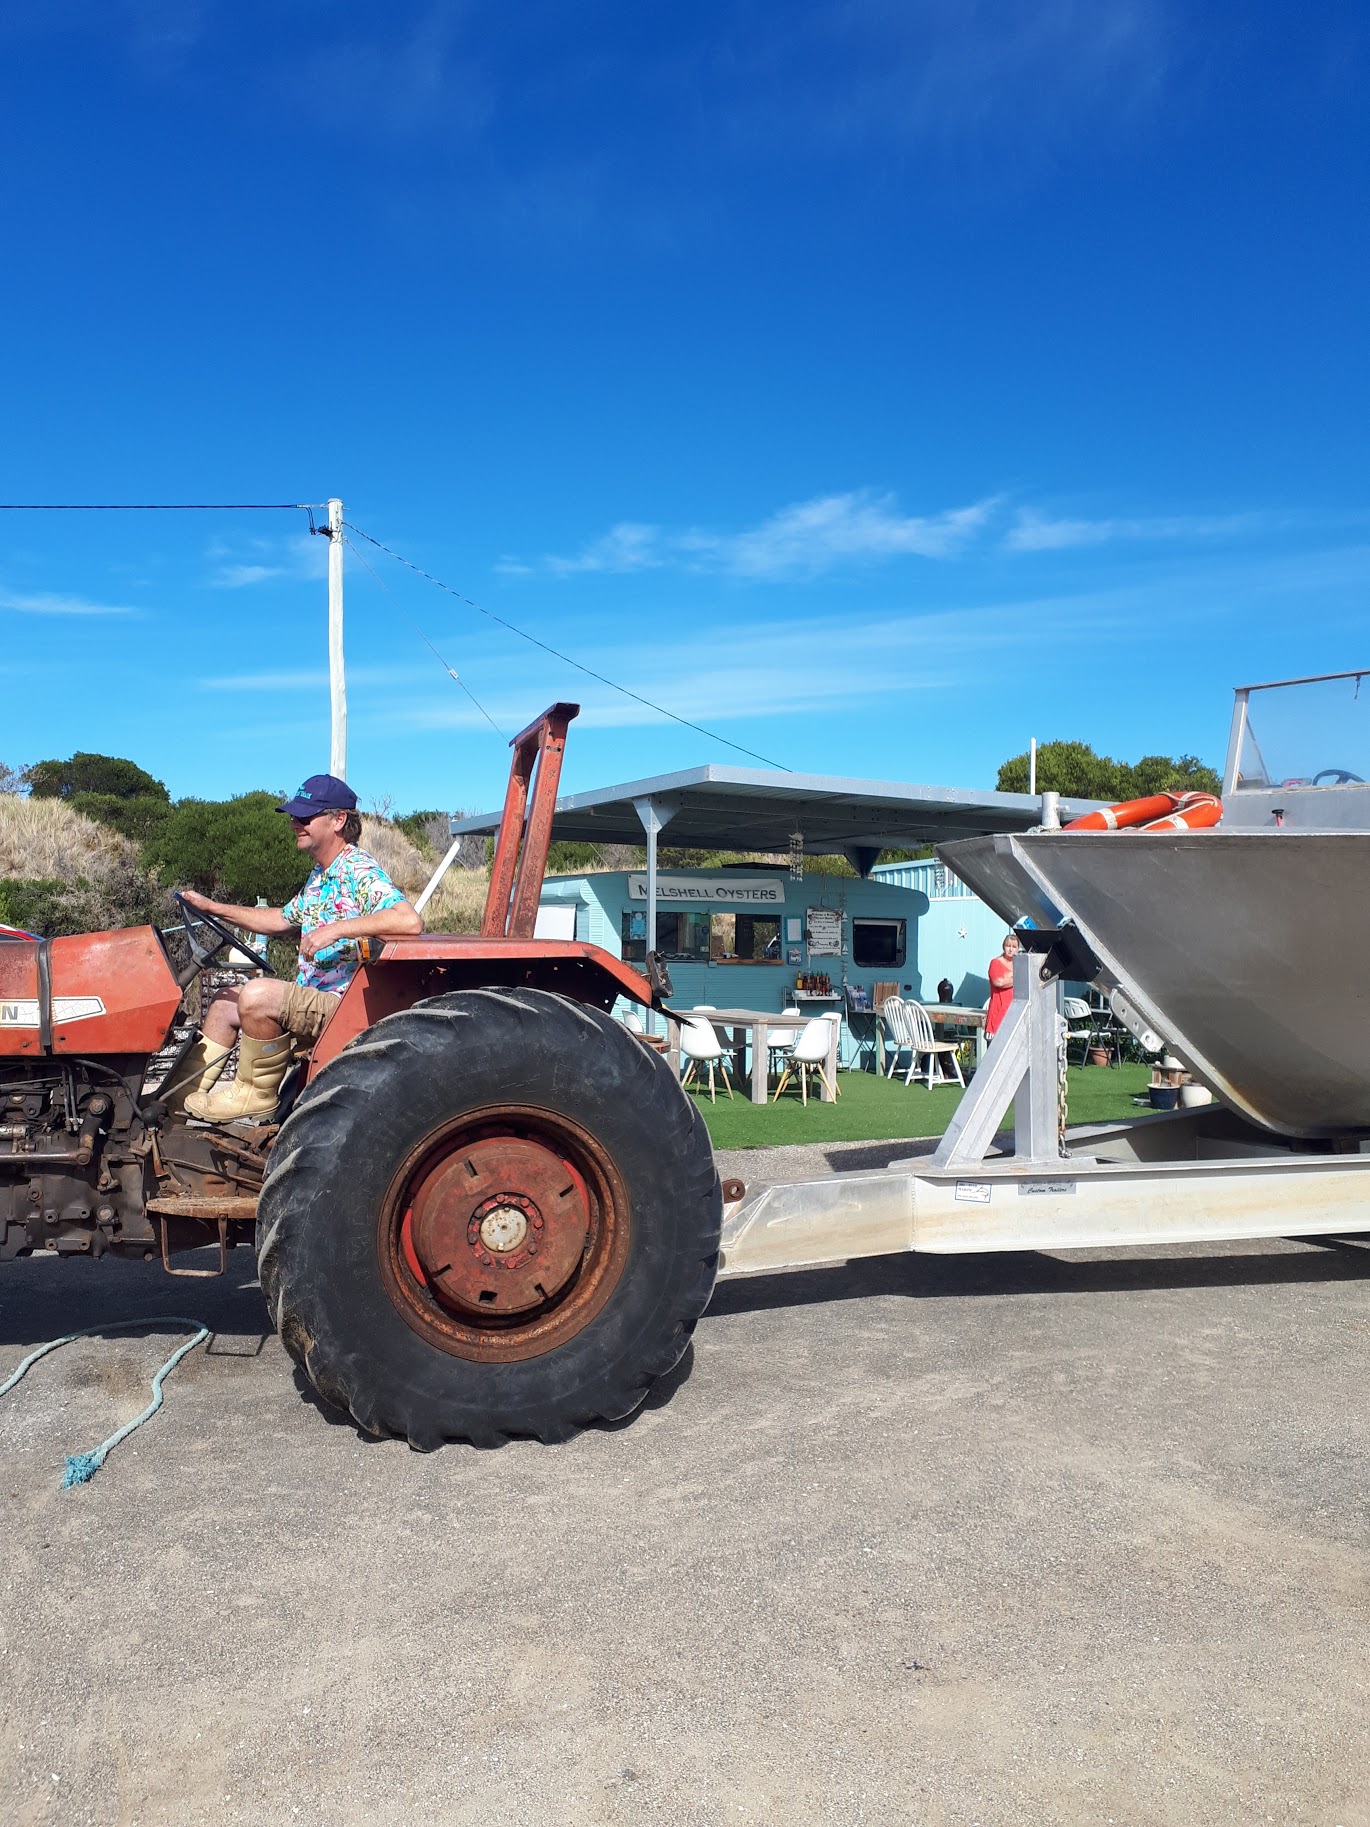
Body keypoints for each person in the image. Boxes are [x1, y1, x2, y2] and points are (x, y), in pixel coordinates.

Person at [164, 773, 422, 1121]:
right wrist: (212, 907)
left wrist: (335, 930)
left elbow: (408, 921)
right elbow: (279, 919)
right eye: (293, 817)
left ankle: (255, 1095)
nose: (294, 824)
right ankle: (174, 1105)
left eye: (304, 817)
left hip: (342, 1005)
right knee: (225, 1002)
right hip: (314, 997)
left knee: (257, 995)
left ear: (338, 820)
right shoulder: (321, 875)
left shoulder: (357, 868)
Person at [984, 931, 1021, 1041]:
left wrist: (1008, 977)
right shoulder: (995, 962)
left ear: (1018, 949)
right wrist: (1017, 978)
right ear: (1003, 947)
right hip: (998, 1013)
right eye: (1008, 946)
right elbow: (999, 982)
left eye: (1014, 947)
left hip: (1014, 1013)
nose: (1011, 949)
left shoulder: (1019, 964)